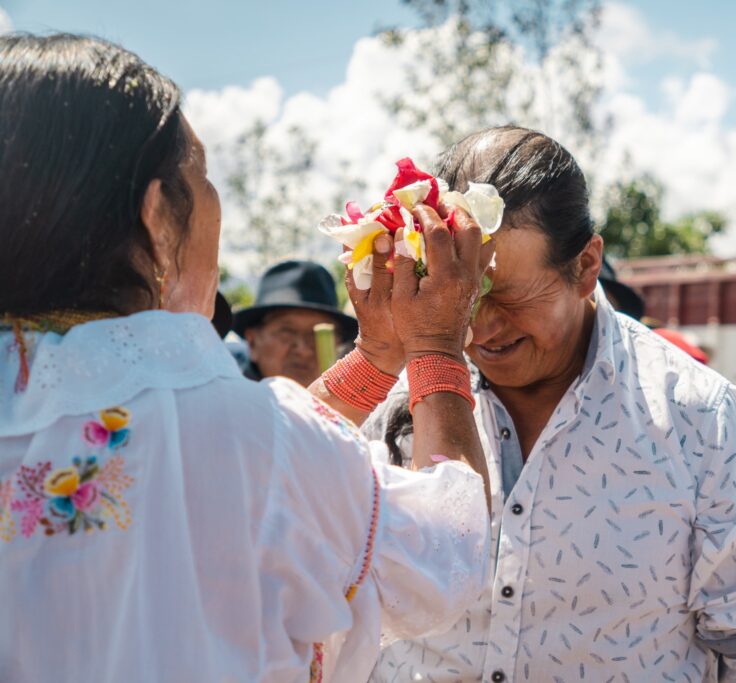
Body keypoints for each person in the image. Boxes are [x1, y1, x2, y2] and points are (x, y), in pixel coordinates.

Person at [0, 34, 494, 682]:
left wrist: (375, 358)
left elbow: (226, 449)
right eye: (200, 174)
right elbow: (448, 553)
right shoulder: (256, 444)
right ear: (156, 216)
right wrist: (435, 346)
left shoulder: (244, 439)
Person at [315, 126, 736, 683]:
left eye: (507, 298)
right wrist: (380, 357)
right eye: (465, 296)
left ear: (585, 265)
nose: (479, 328)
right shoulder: (393, 393)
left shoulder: (707, 425)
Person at [234, 259, 358, 385]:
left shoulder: (360, 401)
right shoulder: (224, 401)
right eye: (287, 332)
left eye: (318, 334)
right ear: (252, 342)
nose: (303, 350)